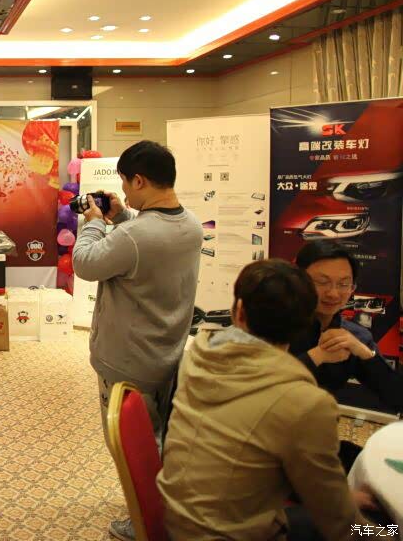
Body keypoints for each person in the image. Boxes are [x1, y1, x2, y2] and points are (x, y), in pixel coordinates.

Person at [157, 260, 372, 540]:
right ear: (305, 323)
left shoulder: (199, 354)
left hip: (175, 519)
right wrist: (386, 533)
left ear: (238, 311)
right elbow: (338, 520)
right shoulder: (306, 403)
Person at [71, 140, 202, 541]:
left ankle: (147, 519)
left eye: (127, 184)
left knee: (133, 449)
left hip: (126, 363)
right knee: (159, 439)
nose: (125, 191)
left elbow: (85, 263)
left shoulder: (134, 236)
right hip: (167, 354)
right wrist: (124, 216)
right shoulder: (191, 225)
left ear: (140, 180)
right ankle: (162, 506)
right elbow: (147, 242)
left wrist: (95, 221)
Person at [293, 241, 403, 468]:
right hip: (265, 439)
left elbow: (397, 397)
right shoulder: (274, 322)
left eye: (344, 284)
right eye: (322, 282)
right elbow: (257, 389)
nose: (333, 293)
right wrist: (317, 356)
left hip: (316, 440)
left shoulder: (354, 336)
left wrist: (365, 353)